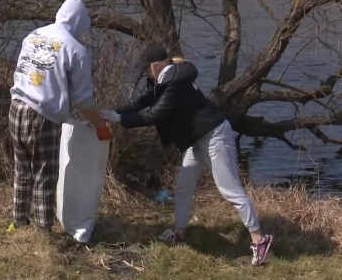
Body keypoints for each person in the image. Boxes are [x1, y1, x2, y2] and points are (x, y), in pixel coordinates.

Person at [99, 44, 274, 266]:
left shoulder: (175, 85)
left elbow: (154, 115)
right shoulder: (163, 81)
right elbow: (140, 103)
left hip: (214, 136)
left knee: (229, 189)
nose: (144, 73)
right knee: (183, 186)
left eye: (145, 69)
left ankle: (259, 240)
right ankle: (180, 232)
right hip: (196, 139)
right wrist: (112, 113)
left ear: (155, 66)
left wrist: (118, 120)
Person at [7, 0, 107, 233]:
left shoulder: (34, 35)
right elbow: (83, 100)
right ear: (80, 22)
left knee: (22, 168)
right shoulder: (74, 49)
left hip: (16, 107)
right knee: (45, 173)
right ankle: (43, 231)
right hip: (42, 117)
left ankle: (18, 222)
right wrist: (100, 126)